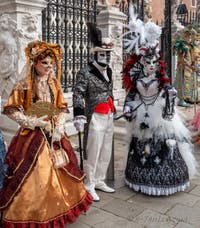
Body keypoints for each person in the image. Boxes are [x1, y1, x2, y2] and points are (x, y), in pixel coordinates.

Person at [0, 40, 92, 227]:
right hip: (32, 134)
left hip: (54, 134)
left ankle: (59, 207)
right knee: (36, 172)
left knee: (61, 166)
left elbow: (60, 108)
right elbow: (11, 109)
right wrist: (32, 122)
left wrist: (58, 127)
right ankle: (34, 213)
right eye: (45, 63)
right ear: (34, 63)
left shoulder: (53, 83)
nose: (49, 67)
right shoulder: (24, 84)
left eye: (51, 64)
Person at [121, 5, 197, 196]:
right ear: (142, 63)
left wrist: (171, 98)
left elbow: (169, 112)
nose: (151, 67)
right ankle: (139, 178)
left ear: (158, 65)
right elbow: (131, 96)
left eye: (154, 63)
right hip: (141, 113)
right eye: (148, 63)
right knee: (140, 143)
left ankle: (165, 180)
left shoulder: (162, 81)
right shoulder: (136, 78)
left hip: (159, 115)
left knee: (164, 144)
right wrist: (128, 109)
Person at [73, 23, 115, 202]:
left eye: (108, 54)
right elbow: (78, 93)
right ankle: (89, 183)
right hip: (95, 116)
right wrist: (79, 114)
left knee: (106, 149)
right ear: (95, 54)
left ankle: (99, 180)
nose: (105, 57)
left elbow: (109, 90)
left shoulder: (109, 71)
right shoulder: (86, 72)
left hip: (109, 114)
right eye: (102, 54)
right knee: (93, 150)